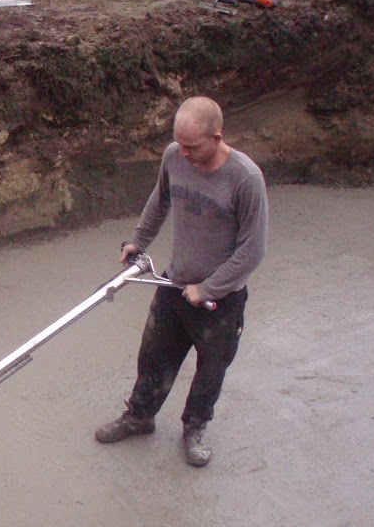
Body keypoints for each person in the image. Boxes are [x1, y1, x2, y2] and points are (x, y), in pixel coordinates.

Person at [95, 96, 267, 466]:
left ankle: (195, 427)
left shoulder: (246, 179)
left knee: (211, 367)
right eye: (179, 143)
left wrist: (208, 289)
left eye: (192, 146)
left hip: (221, 301)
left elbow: (252, 250)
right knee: (154, 356)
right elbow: (160, 200)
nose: (183, 152)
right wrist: (137, 240)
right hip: (174, 284)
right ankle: (139, 416)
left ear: (217, 137)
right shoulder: (174, 156)